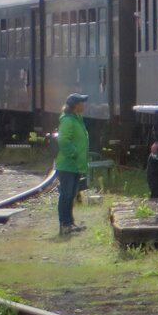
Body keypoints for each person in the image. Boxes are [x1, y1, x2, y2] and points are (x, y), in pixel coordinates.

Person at [55, 93, 90, 236]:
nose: (84, 105)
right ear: (76, 106)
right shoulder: (68, 121)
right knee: (66, 195)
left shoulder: (77, 119)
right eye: (82, 102)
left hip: (75, 166)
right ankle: (64, 224)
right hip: (68, 165)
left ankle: (69, 222)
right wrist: (74, 153)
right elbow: (63, 140)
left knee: (71, 195)